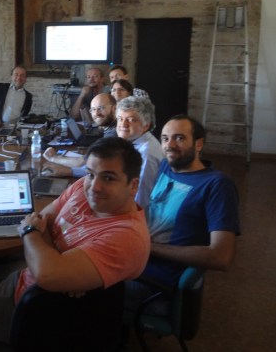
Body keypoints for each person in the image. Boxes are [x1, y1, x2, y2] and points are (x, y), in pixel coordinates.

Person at [0, 137, 150, 352]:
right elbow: (42, 219)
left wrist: (31, 234)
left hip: (39, 314)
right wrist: (59, 263)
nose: (94, 186)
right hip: (28, 275)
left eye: (108, 178)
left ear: (133, 186)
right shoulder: (85, 188)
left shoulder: (126, 237)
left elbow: (45, 270)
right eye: (91, 174)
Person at [126, 115, 240, 311]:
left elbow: (221, 257)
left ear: (198, 144)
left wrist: (150, 247)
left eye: (179, 138)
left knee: (85, 285)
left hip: (156, 283)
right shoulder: (166, 167)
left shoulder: (217, 185)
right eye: (165, 138)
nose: (169, 145)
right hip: (137, 260)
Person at [42, 93, 117, 178]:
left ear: (114, 108)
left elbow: (85, 163)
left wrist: (53, 158)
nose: (96, 113)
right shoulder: (110, 127)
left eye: (101, 108)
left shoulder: (113, 135)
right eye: (93, 109)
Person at [116, 96, 163, 208]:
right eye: (120, 118)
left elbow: (141, 199)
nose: (123, 124)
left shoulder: (147, 154)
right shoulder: (133, 141)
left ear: (145, 126)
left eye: (131, 120)